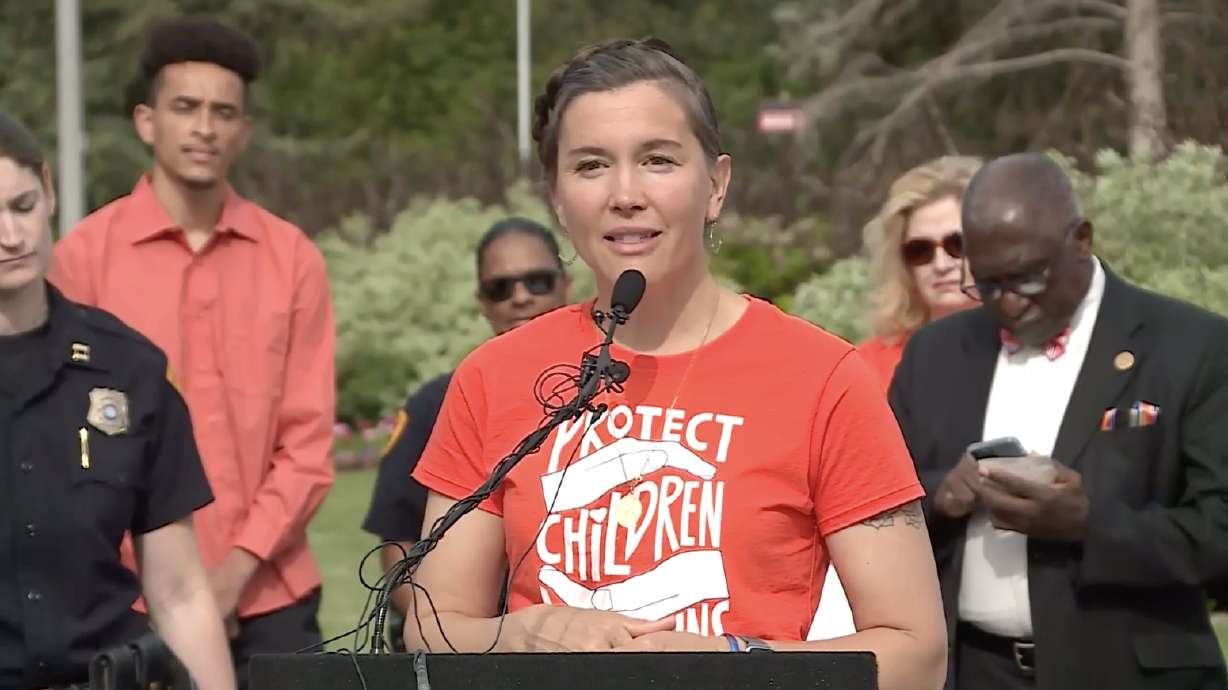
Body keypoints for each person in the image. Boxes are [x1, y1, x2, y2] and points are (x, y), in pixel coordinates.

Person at [404, 37, 946, 690]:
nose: (625, 194)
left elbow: (916, 653)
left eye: (657, 160)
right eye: (591, 166)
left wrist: (726, 664)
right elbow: (433, 626)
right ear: (556, 197)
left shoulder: (825, 378)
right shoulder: (492, 377)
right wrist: (517, 635)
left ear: (716, 184)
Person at [48, 17, 335, 688]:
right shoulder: (84, 258)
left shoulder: (292, 259)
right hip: (127, 602)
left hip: (272, 595)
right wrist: (174, 591)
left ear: (243, 131)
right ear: (147, 121)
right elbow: (68, 451)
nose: (204, 127)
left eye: (223, 112)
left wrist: (231, 577)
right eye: (186, 107)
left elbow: (308, 446)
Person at [889, 152, 1228, 690]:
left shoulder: (1192, 347)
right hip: (974, 671)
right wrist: (942, 497)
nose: (1009, 304)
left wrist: (1089, 522)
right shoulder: (935, 353)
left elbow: (1219, 534)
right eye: (988, 284)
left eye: (1025, 278)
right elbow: (879, 508)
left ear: (1082, 240)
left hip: (1128, 674)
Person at [0, 112, 235, 690]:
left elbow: (179, 592)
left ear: (50, 191)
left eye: (22, 206)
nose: (10, 235)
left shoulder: (130, 369)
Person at [362, 217, 571, 647]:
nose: (521, 298)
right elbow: (398, 545)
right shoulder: (437, 404)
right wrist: (447, 635)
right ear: (481, 301)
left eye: (538, 282)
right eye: (501, 288)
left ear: (565, 284)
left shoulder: (607, 391)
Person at [857, 156, 981, 389]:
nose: (941, 265)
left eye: (958, 245)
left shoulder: (1034, 352)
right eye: (920, 250)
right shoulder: (868, 369)